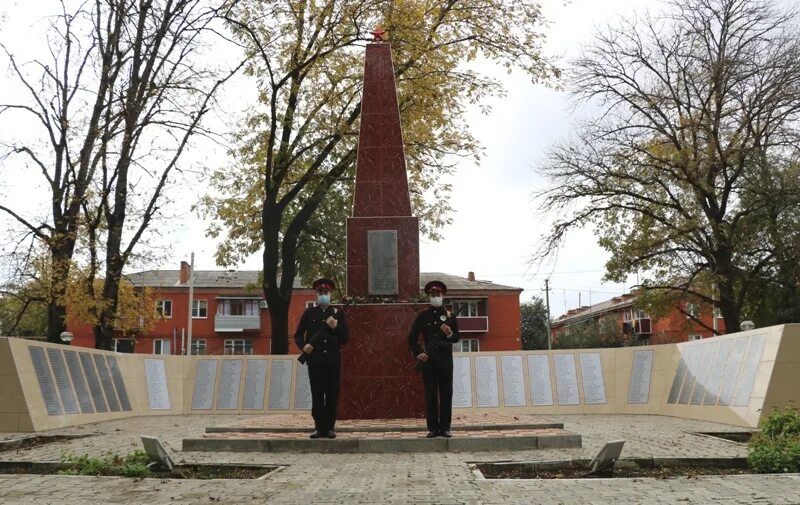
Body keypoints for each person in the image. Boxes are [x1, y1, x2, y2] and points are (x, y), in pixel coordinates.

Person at [294, 278, 349, 439]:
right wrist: (303, 346)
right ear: (316, 294)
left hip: (332, 361)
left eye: (326, 293)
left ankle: (330, 428)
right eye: (320, 293)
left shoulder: (338, 314)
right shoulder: (310, 313)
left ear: (330, 294)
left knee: (332, 394)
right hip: (315, 361)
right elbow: (298, 334)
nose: (323, 295)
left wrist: (335, 327)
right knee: (317, 394)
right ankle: (319, 427)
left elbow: (345, 338)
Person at [407, 280, 460, 438]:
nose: (435, 297)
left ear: (443, 295)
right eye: (432, 295)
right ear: (429, 297)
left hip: (445, 362)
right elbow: (412, 338)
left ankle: (445, 428)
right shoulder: (423, 316)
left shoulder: (450, 316)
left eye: (438, 294)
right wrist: (418, 353)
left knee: (446, 395)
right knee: (430, 396)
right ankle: (432, 428)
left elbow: (456, 338)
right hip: (428, 362)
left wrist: (450, 333)